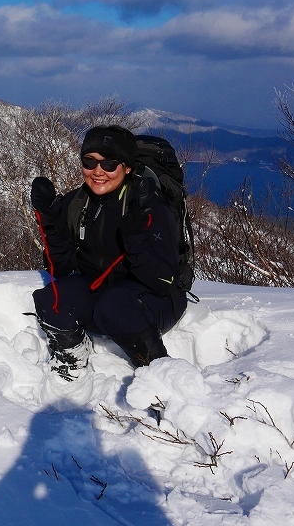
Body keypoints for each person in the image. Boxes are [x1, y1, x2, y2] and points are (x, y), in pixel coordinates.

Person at [31, 125, 186, 381]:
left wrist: (136, 238)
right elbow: (60, 268)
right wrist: (49, 218)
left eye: (110, 163)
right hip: (102, 292)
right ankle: (72, 362)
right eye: (89, 162)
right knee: (51, 299)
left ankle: (159, 377)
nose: (98, 171)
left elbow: (163, 281)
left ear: (126, 167)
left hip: (153, 300)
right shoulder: (77, 203)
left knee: (115, 305)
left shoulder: (148, 205)